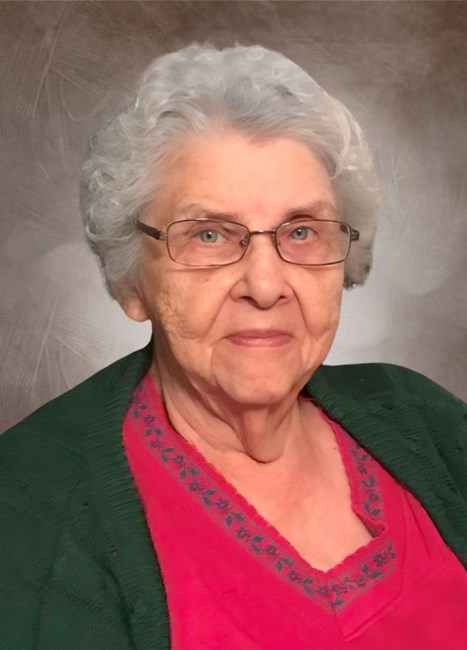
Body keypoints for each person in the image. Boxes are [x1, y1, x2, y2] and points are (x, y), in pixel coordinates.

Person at [1, 43, 466, 650]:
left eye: (302, 231)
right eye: (209, 235)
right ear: (132, 279)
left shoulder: (426, 420)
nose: (266, 286)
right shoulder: (28, 510)